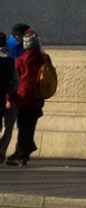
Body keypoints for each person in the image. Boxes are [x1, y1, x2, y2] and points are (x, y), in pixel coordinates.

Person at [8, 31, 54, 167]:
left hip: (22, 96)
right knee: (30, 126)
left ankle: (21, 154)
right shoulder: (44, 58)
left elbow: (14, 80)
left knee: (22, 127)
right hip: (37, 95)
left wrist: (9, 98)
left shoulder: (19, 60)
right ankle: (25, 152)